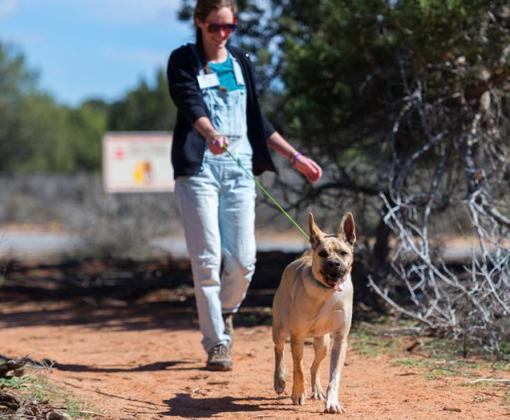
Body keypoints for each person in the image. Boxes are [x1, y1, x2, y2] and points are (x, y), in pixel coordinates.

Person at [166, 0, 322, 371]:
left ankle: (224, 311)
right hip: (200, 169)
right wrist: (209, 133)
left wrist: (294, 157)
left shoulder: (239, 61)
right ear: (200, 23)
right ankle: (217, 342)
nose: (223, 35)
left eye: (229, 27)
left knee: (242, 262)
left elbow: (258, 119)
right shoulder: (183, 60)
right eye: (215, 27)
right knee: (206, 261)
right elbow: (188, 101)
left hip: (239, 170)